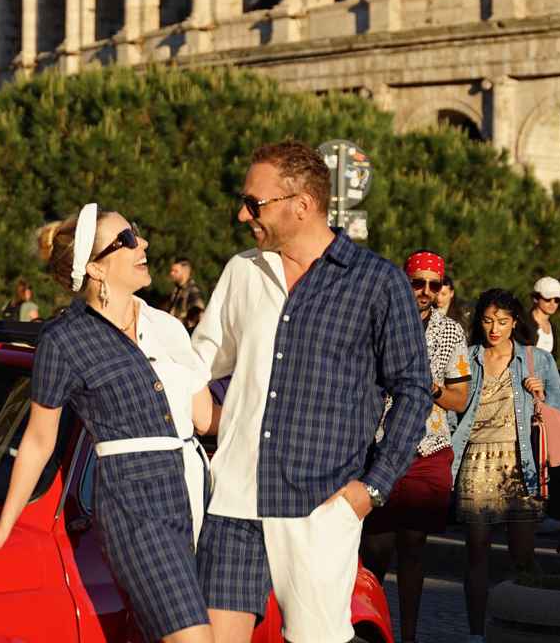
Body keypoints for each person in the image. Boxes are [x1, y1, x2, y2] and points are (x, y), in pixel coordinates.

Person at [0, 204, 215, 643]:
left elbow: (204, 418)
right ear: (94, 268)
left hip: (193, 494)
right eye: (125, 240)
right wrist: (2, 526)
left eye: (136, 233)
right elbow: (38, 439)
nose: (141, 244)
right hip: (133, 503)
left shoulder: (167, 326)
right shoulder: (64, 340)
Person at [191, 141, 431, 643]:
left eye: (254, 203)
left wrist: (371, 489)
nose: (242, 214)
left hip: (320, 505)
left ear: (301, 204)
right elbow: (198, 364)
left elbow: (412, 390)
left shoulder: (376, 283)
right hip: (233, 499)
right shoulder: (243, 272)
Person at [360, 250, 470, 643]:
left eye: (433, 285)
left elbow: (460, 398)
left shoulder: (451, 332)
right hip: (380, 447)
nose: (424, 291)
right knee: (375, 548)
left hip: (428, 449)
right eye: (417, 282)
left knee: (413, 547)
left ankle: (409, 635)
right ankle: (369, 629)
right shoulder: (379, 322)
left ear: (441, 289)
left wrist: (430, 385)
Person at [450, 288, 560, 642]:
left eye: (502, 321)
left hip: (521, 461)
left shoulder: (536, 360)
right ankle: (475, 634)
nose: (494, 328)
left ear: (515, 321)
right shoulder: (467, 358)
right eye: (487, 320)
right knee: (476, 552)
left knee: (523, 554)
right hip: (474, 459)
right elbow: (454, 411)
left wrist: (541, 396)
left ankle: (531, 625)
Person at [165, 259, 207, 327]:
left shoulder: (193, 291)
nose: (171, 273)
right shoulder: (177, 290)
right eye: (172, 271)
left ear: (185, 273)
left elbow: (199, 314)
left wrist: (183, 323)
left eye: (176, 271)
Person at [529, 277, 560, 356]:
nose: (552, 303)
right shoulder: (524, 324)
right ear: (536, 298)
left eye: (557, 300)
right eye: (548, 299)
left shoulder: (553, 327)